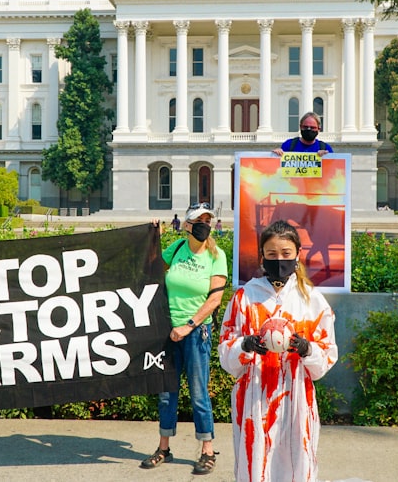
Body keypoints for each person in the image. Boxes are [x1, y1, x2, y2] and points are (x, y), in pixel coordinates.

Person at [218, 220, 338, 482]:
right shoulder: (245, 297)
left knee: (297, 465)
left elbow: (327, 355)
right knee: (255, 466)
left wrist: (307, 350)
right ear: (262, 257)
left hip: (297, 398)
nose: (279, 260)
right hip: (254, 396)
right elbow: (226, 354)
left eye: (286, 254)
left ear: (297, 255)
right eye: (272, 254)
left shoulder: (312, 299)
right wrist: (245, 346)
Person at [140, 203, 227, 475]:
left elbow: (215, 299)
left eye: (207, 220)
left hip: (195, 333)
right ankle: (164, 447)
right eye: (198, 220)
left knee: (199, 393)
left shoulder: (216, 255)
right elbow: (152, 268)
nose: (204, 224)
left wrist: (189, 326)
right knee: (167, 393)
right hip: (168, 332)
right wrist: (154, 237)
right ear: (187, 225)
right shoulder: (177, 248)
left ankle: (207, 450)